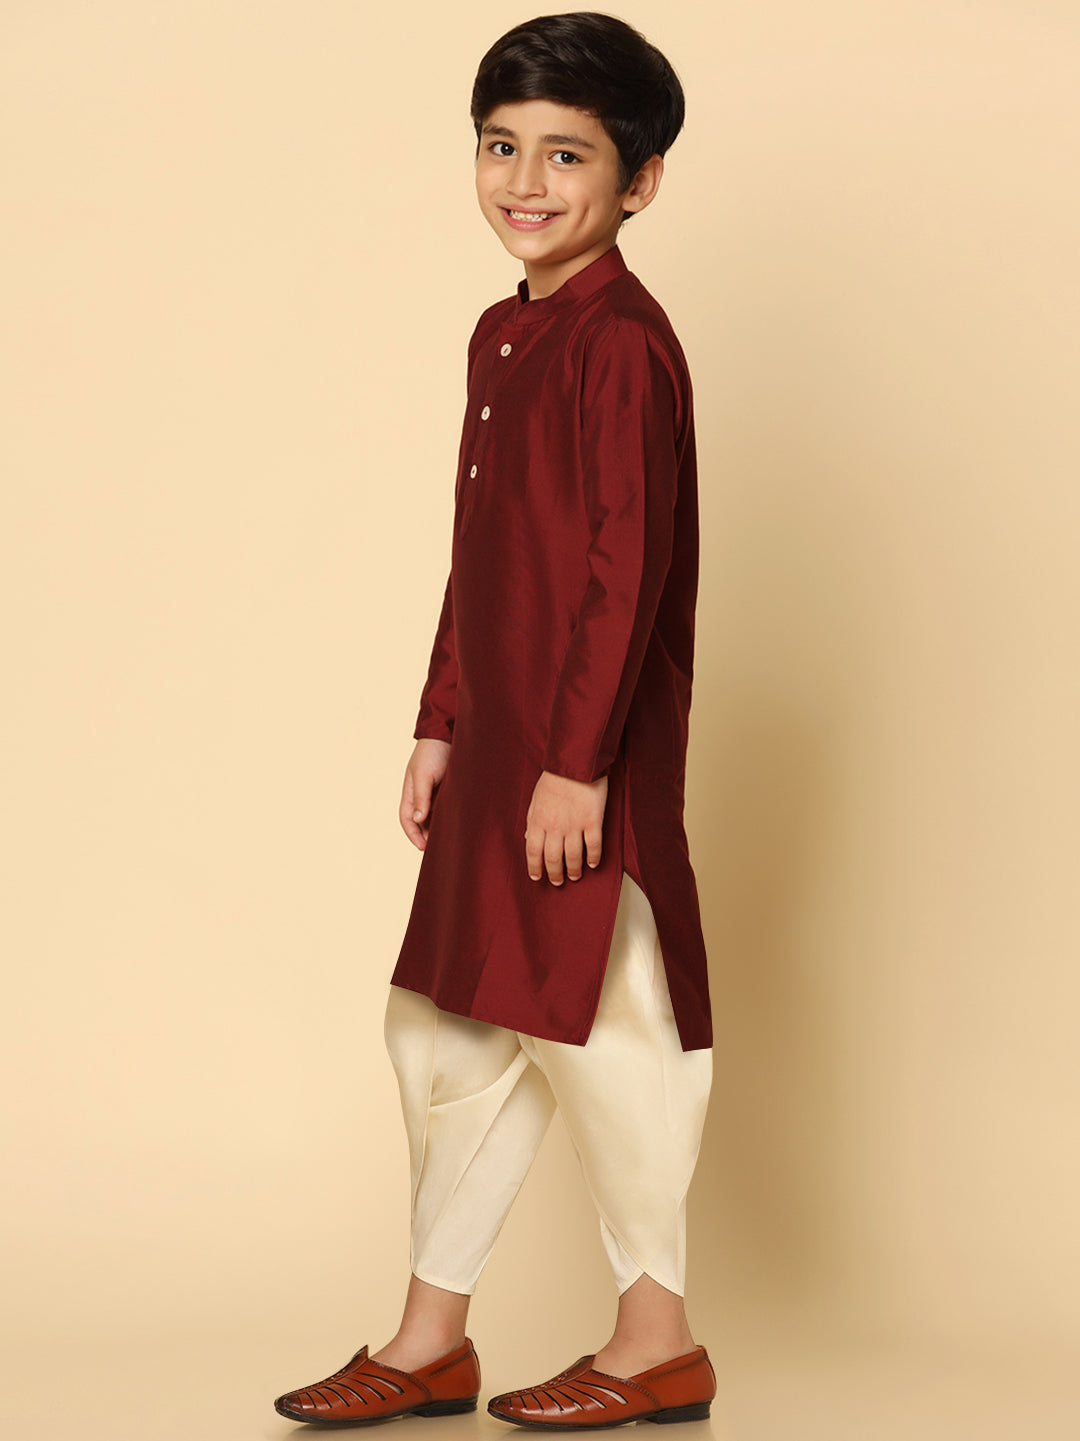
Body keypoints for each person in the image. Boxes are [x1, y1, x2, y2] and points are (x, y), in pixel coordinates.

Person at [274, 12, 716, 1429]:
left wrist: (577, 766)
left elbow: (625, 566)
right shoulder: (505, 331)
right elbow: (485, 554)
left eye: (567, 155)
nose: (525, 181)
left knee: (614, 1036)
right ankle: (430, 1340)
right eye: (500, 145)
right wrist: (443, 723)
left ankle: (656, 1340)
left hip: (581, 776)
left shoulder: (622, 343)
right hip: (501, 758)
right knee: (449, 1027)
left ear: (640, 180)